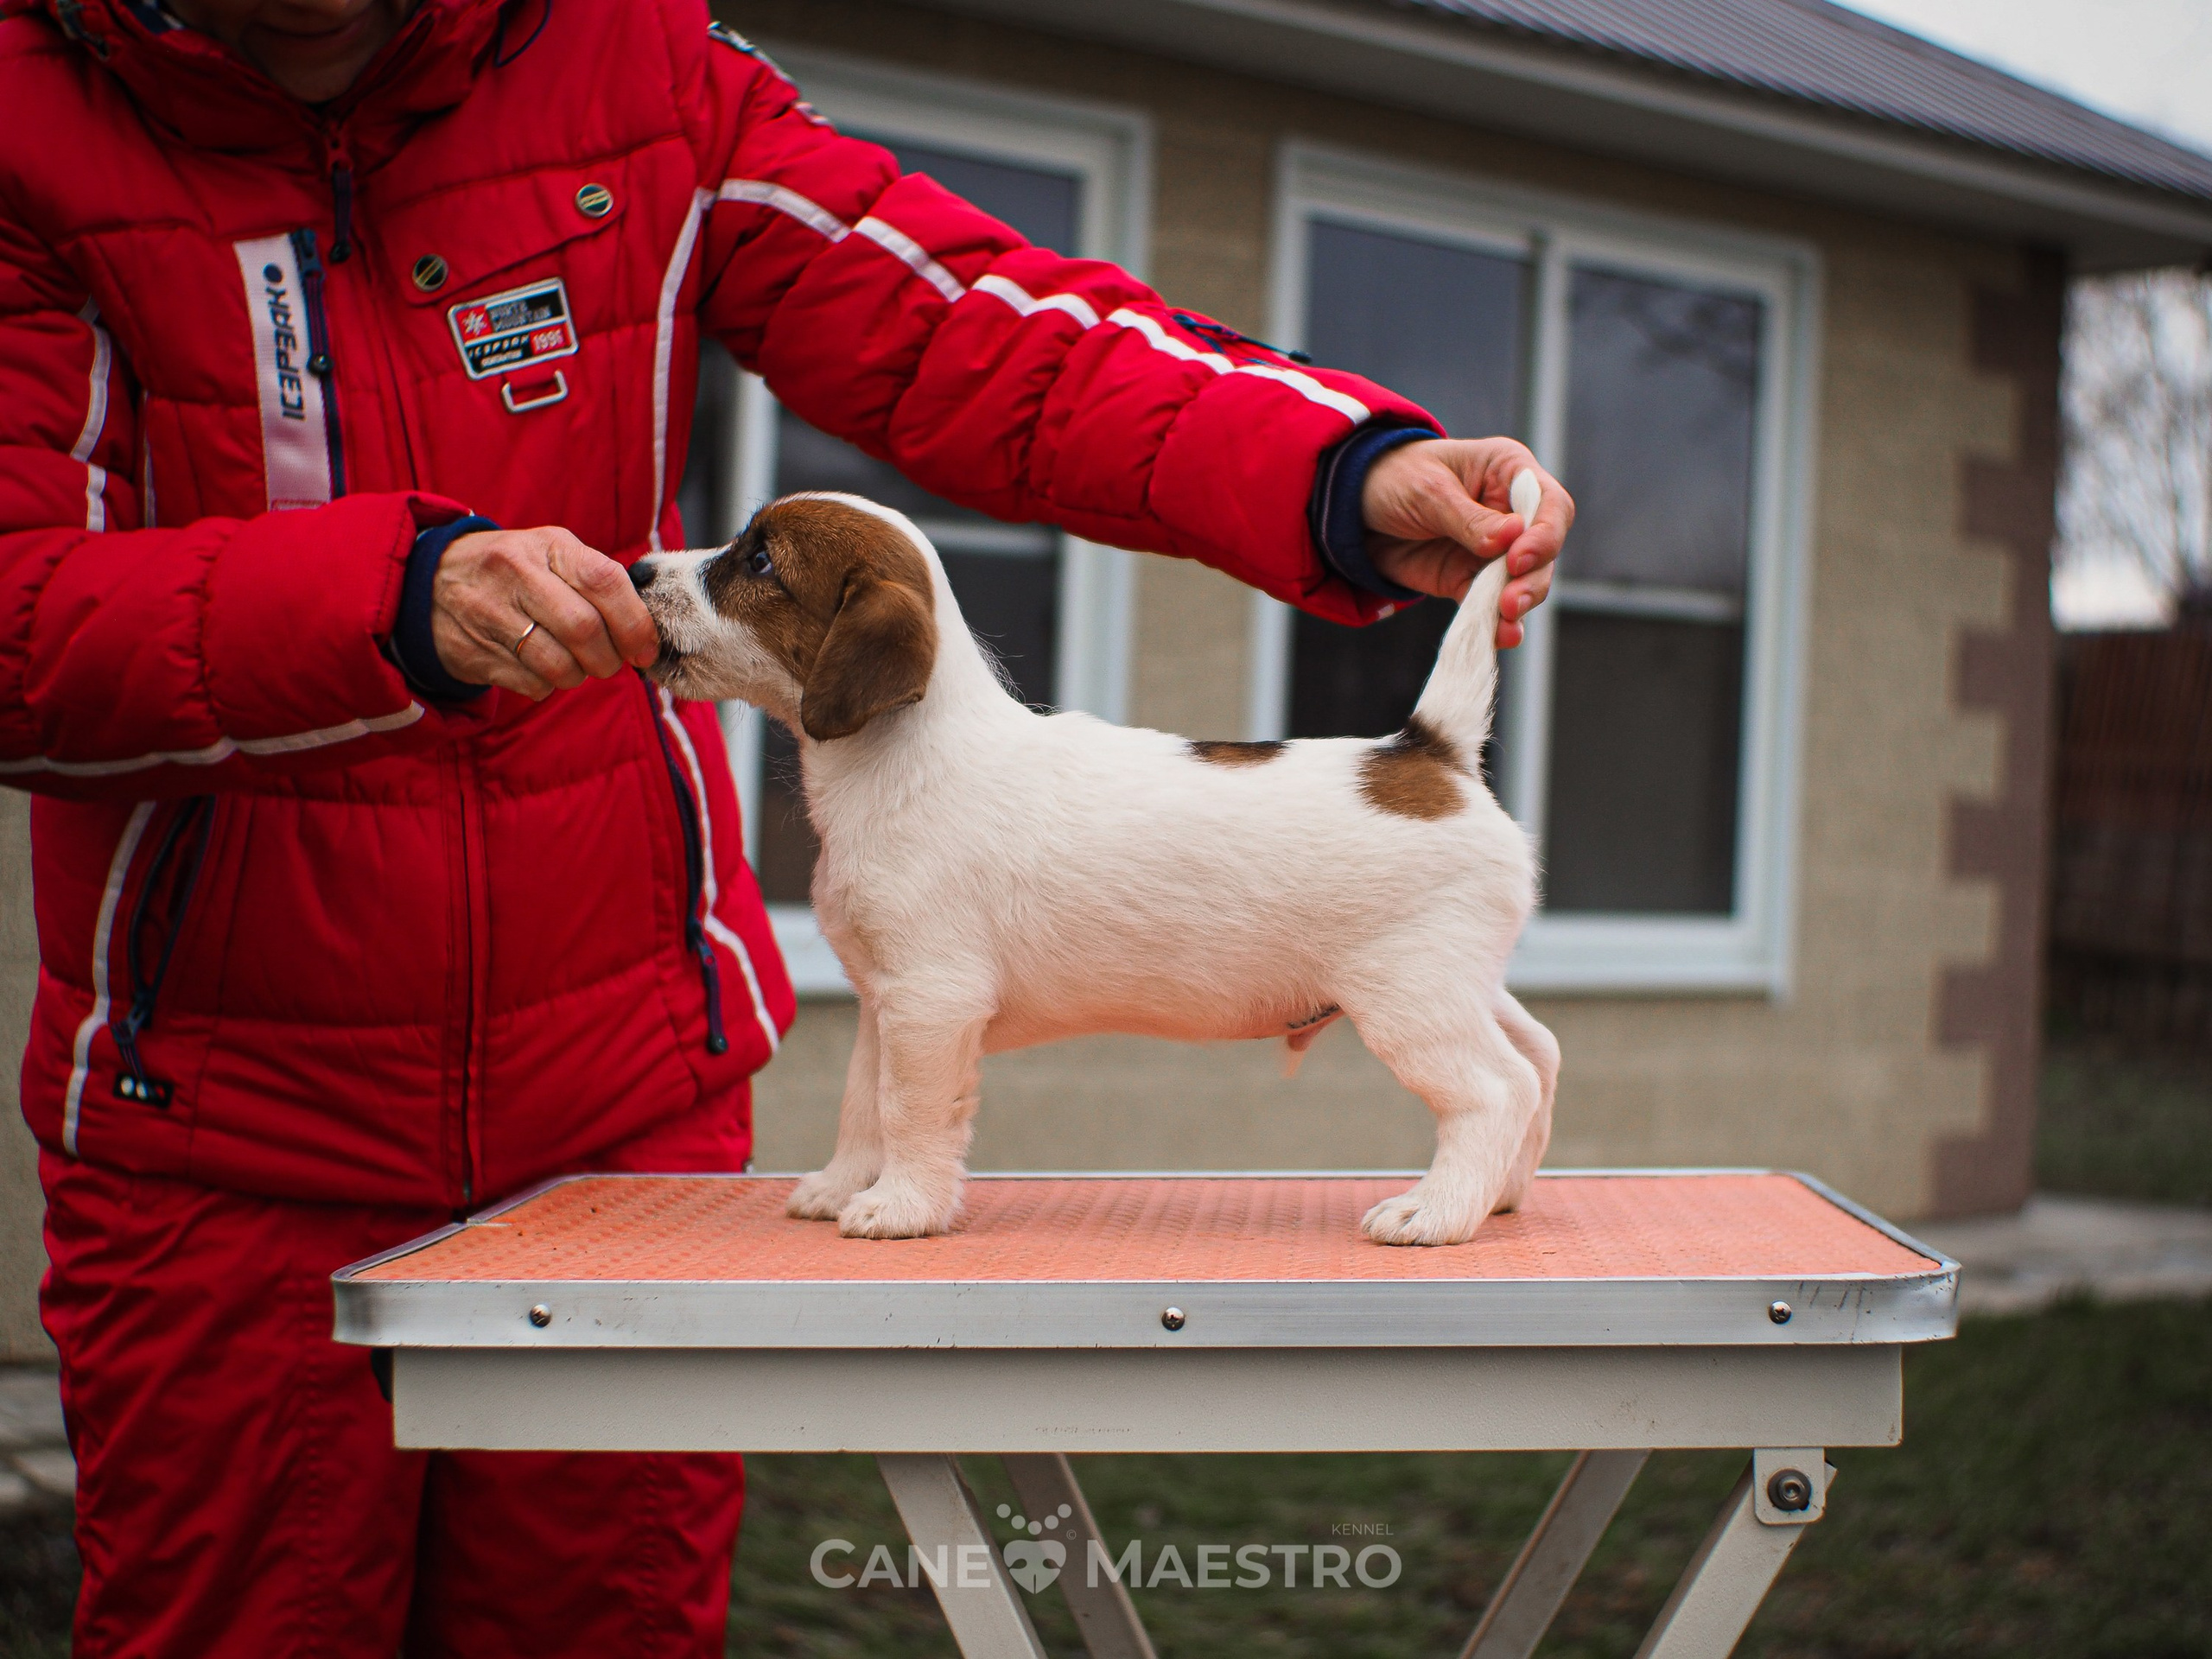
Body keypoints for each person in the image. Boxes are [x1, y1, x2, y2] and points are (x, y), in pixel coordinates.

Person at [0, 0, 1570, 1652]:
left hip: (626, 1100)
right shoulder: (32, 126)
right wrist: (373, 603)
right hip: (223, 1128)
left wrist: (1334, 461)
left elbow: (981, 322)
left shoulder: (633, 63)